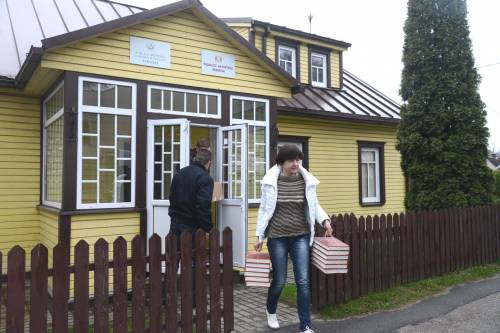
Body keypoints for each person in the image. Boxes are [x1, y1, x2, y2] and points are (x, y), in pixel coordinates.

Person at [254, 144, 333, 333]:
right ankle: (271, 310)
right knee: (280, 280)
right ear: (282, 162)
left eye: (298, 160)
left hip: (300, 236)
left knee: (303, 281)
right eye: (291, 161)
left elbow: (315, 205)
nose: (296, 164)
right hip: (277, 237)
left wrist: (325, 220)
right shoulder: (271, 182)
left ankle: (305, 326)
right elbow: (264, 210)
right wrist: (259, 235)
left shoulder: (306, 181)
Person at [169, 148, 214, 239]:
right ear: (209, 163)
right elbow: (203, 206)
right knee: (191, 253)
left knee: (175, 252)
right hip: (193, 229)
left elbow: (172, 197)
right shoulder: (205, 178)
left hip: (174, 226)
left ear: (195, 159)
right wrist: (208, 229)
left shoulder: (179, 173)